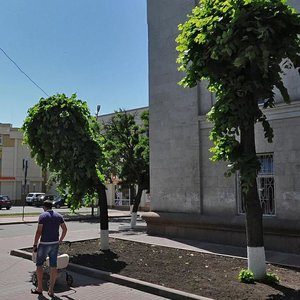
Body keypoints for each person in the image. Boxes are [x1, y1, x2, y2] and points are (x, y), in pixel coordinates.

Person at [31, 199, 67, 297]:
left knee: (39, 265)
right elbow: (65, 229)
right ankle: (51, 290)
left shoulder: (42, 216)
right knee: (53, 266)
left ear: (44, 207)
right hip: (55, 244)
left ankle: (39, 288)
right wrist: (60, 240)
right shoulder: (59, 216)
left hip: (44, 244)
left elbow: (39, 231)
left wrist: (34, 244)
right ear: (52, 206)